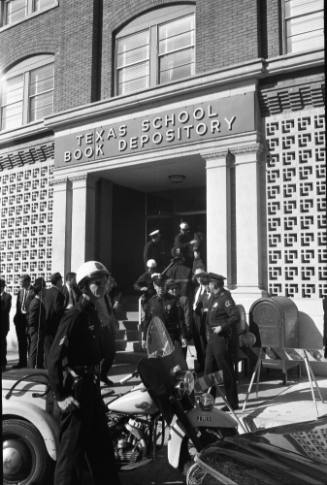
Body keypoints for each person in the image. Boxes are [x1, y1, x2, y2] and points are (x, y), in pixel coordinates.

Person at [47, 260, 121, 485]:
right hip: (77, 393)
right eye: (98, 282)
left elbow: (104, 351)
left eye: (105, 280)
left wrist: (108, 323)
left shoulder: (95, 314)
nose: (103, 285)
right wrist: (60, 396)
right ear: (85, 286)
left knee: (103, 451)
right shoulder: (75, 315)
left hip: (92, 388)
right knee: (70, 456)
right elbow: (54, 359)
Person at [205, 272, 239, 410]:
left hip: (221, 339)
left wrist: (222, 327)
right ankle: (208, 401)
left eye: (209, 283)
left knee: (226, 372)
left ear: (214, 284)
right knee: (209, 370)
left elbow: (235, 316)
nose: (207, 285)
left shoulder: (226, 298)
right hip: (212, 340)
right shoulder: (214, 297)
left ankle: (233, 402)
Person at [146, 276, 187, 355]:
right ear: (154, 286)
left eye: (162, 285)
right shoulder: (151, 301)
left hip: (171, 335)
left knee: (172, 361)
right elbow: (148, 320)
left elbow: (180, 319)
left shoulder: (173, 300)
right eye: (158, 286)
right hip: (157, 336)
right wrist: (145, 338)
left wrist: (183, 336)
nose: (161, 288)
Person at [13, 274, 34, 368]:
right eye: (19, 282)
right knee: (21, 342)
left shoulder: (34, 291)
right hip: (20, 321)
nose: (20, 284)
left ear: (27, 281)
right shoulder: (20, 292)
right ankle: (22, 362)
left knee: (30, 343)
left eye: (21, 282)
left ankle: (30, 363)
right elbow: (18, 307)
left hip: (29, 321)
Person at [44, 272, 65, 366]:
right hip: (55, 325)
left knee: (47, 349)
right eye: (61, 280)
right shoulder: (58, 294)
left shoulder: (46, 292)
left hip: (46, 324)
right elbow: (58, 310)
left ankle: (46, 367)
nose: (62, 282)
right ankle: (52, 368)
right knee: (55, 349)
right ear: (58, 281)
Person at [192, 269, 211, 373]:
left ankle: (206, 367)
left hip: (205, 319)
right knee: (198, 342)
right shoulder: (196, 289)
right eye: (197, 277)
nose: (199, 279)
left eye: (201, 276)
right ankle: (201, 364)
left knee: (205, 344)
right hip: (196, 318)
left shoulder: (209, 290)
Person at [27, 277, 46, 369]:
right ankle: (31, 369)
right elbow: (31, 319)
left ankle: (38, 366)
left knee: (37, 350)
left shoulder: (39, 301)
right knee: (34, 351)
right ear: (41, 291)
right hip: (35, 330)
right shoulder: (36, 302)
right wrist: (35, 329)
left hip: (38, 330)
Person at [1, 278, 12, 371]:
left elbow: (6, 310)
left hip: (3, 325)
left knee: (2, 344)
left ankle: (3, 363)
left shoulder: (7, 296)